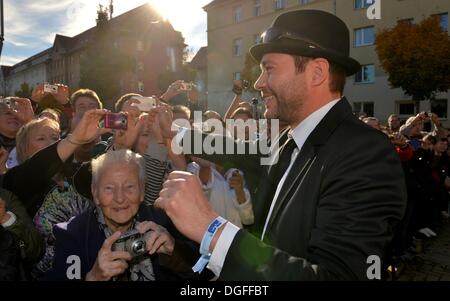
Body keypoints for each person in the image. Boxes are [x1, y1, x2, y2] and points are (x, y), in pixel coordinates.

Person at [155, 10, 406, 280]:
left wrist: (210, 228)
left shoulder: (364, 154)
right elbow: (231, 148)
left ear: (317, 72)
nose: (260, 83)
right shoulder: (288, 140)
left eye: (269, 68)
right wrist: (177, 133)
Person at [47, 150, 198, 281]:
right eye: (109, 188)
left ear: (142, 191)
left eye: (129, 186)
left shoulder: (165, 223)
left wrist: (175, 251)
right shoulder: (74, 235)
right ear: (95, 194)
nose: (120, 198)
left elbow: (206, 273)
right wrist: (93, 277)